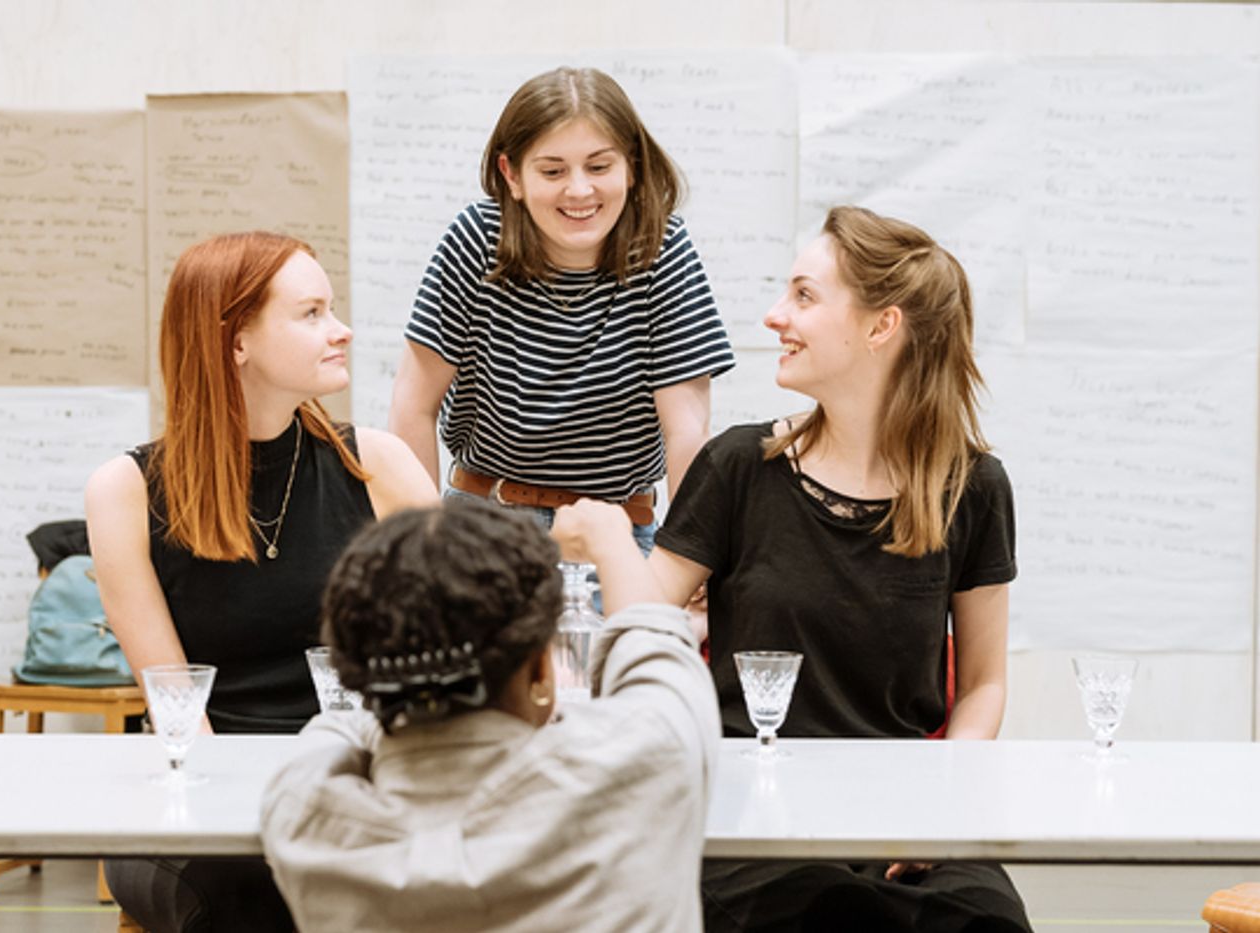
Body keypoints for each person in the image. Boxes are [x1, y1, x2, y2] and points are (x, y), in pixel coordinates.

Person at [595, 206, 1030, 932]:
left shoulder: (974, 487)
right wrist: (608, 541)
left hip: (904, 807)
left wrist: (938, 809)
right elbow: (642, 621)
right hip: (753, 812)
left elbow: (982, 683)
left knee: (985, 918)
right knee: (827, 912)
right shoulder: (739, 465)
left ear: (879, 326)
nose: (774, 316)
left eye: (803, 295)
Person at [86, 231, 437, 932]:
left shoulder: (380, 465)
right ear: (236, 341)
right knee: (260, 884)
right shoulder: (124, 489)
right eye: (311, 314)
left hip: (349, 777)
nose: (341, 331)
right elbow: (176, 700)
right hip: (199, 797)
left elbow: (466, 640)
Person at [260, 496, 720, 932]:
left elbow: (341, 725)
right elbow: (653, 643)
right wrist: (611, 540)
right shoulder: (647, 762)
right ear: (543, 668)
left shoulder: (305, 813)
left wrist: (413, 671)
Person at [388, 65, 735, 550]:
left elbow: (687, 428)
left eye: (599, 167)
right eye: (552, 171)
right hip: (484, 523)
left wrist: (691, 555)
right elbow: (413, 405)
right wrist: (423, 551)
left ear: (631, 167)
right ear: (513, 175)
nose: (578, 191)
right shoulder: (476, 239)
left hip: (618, 531)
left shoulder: (661, 248)